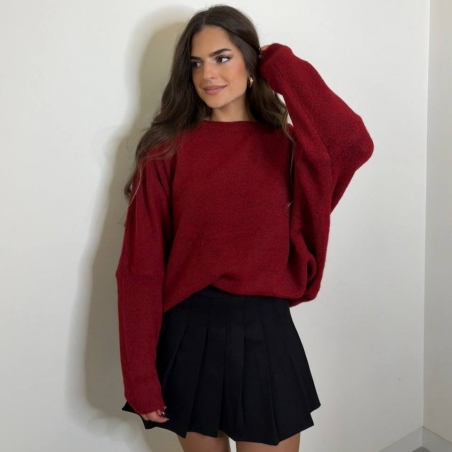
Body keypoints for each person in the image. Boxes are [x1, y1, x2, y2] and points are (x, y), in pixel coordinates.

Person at [116, 4, 374, 451]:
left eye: (222, 57)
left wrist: (279, 62)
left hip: (265, 333)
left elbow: (352, 143)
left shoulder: (291, 147)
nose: (208, 74)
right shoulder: (165, 152)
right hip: (188, 334)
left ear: (250, 63)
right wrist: (139, 376)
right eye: (196, 63)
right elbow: (141, 267)